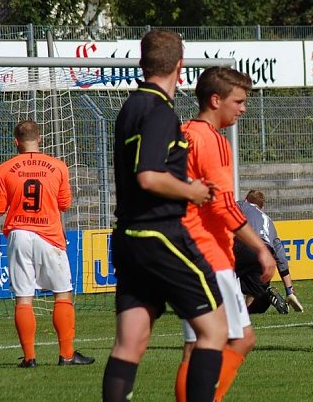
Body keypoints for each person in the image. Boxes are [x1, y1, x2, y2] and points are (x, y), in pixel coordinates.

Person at [103, 30, 223, 402]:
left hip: (129, 238)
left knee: (130, 341)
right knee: (215, 331)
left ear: (143, 64)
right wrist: (192, 190)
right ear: (180, 66)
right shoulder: (159, 112)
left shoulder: (131, 107)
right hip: (160, 234)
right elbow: (149, 175)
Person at [174, 67, 277, 402]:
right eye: (239, 101)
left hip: (187, 250)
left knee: (199, 344)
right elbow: (223, 205)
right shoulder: (212, 140)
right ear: (216, 100)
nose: (243, 109)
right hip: (207, 253)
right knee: (234, 340)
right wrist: (261, 248)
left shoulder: (181, 133)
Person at [0, 120, 94, 368]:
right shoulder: (58, 166)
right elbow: (64, 204)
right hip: (49, 235)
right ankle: (66, 355)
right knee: (62, 293)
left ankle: (29, 358)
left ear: (16, 142)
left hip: (19, 235)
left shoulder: (4, 169)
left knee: (23, 297)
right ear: (40, 139)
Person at [234, 189, 304, 314]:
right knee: (257, 298)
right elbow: (281, 258)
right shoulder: (269, 222)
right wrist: (289, 290)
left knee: (219, 277)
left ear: (246, 200)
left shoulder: (242, 205)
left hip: (245, 245)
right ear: (262, 207)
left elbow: (226, 210)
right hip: (265, 253)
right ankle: (266, 296)